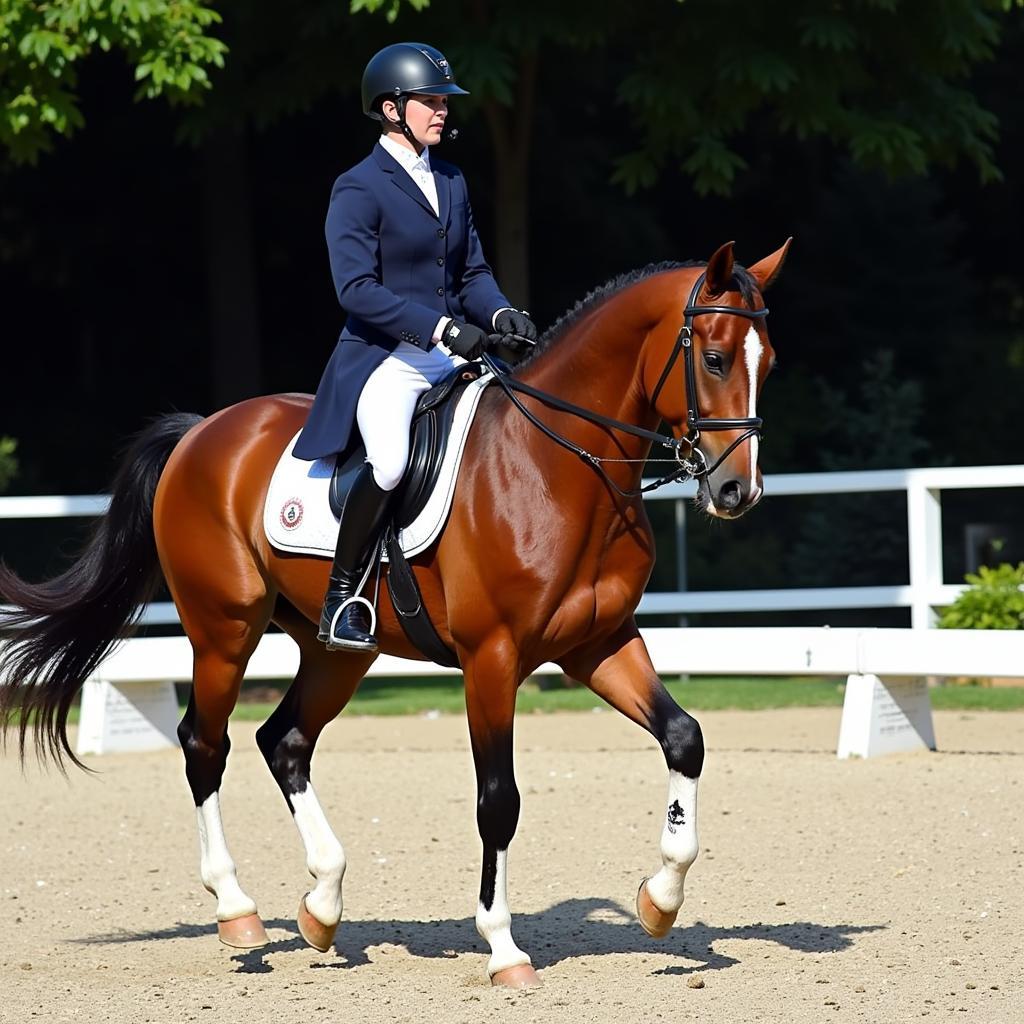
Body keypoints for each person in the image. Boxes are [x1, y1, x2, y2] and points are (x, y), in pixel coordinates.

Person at [293, 41, 537, 653]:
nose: (442, 111)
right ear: (391, 108)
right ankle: (343, 597)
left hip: (451, 350)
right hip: (386, 358)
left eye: (443, 102)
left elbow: (471, 275)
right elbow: (356, 289)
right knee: (392, 461)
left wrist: (501, 311)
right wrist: (439, 329)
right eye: (430, 101)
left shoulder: (450, 180)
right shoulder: (357, 188)